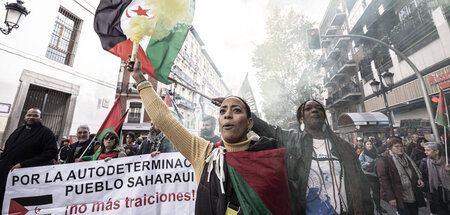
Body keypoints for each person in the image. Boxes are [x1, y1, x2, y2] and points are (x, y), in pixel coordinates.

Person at [128, 59, 290, 214]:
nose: (227, 115)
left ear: (250, 123)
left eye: (236, 110)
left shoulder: (268, 157)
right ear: (219, 121)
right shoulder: (205, 154)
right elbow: (164, 119)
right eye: (222, 111)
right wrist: (139, 78)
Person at [249, 99, 373, 214]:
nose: (314, 110)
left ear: (324, 116)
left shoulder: (344, 147)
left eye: (318, 108)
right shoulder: (293, 140)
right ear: (301, 118)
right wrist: (244, 110)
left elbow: (363, 188)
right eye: (308, 109)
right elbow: (268, 130)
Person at [0, 108, 58, 211]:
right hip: (5, 172)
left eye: (35, 116)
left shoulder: (46, 133)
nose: (31, 118)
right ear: (25, 117)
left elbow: (51, 153)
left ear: (40, 118)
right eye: (29, 115)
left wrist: (24, 164)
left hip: (24, 175)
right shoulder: (18, 130)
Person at [376, 136, 426, 215]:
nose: (400, 148)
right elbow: (383, 180)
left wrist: (419, 179)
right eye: (396, 146)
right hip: (399, 194)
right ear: (390, 148)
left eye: (401, 146)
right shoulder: (384, 159)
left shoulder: (406, 157)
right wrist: (391, 197)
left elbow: (413, 171)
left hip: (412, 193)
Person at [420, 142, 450, 215]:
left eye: (428, 150)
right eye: (425, 150)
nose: (425, 152)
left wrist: (449, 172)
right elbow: (423, 177)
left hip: (448, 189)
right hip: (435, 191)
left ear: (436, 151)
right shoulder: (424, 162)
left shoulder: (447, 162)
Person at [359, 141, 385, 214]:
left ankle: (378, 207)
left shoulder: (376, 153)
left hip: (375, 175)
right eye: (367, 144)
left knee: (376, 192)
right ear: (365, 146)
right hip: (367, 175)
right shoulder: (363, 154)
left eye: (370, 144)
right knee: (367, 192)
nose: (369, 145)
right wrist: (367, 164)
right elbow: (360, 164)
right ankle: (369, 208)